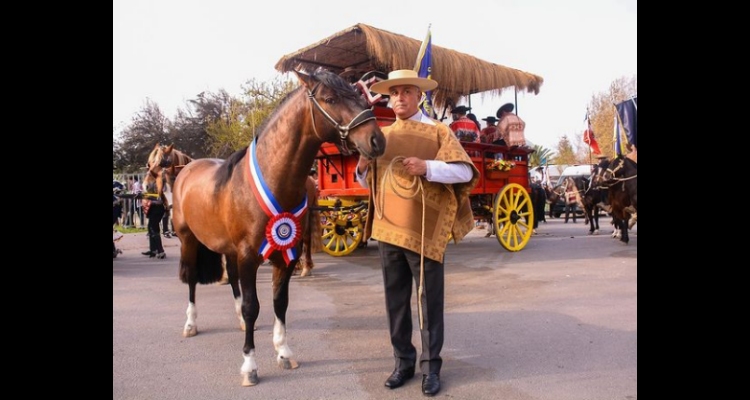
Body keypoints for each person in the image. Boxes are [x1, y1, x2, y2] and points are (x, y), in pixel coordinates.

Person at [355, 69, 479, 397]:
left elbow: (465, 170)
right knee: (395, 302)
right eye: (394, 93)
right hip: (388, 230)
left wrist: (428, 167)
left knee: (428, 302)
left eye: (406, 92)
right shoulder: (379, 134)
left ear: (418, 95)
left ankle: (431, 368)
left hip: (425, 229)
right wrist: (363, 166)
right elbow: (365, 182)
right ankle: (402, 363)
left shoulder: (438, 131)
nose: (399, 98)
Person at [141, 180, 166, 259]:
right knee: (151, 227)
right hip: (154, 208)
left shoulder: (159, 183)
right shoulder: (153, 182)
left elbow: (159, 200)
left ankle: (160, 251)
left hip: (157, 208)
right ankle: (153, 250)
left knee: (153, 228)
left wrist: (149, 199)